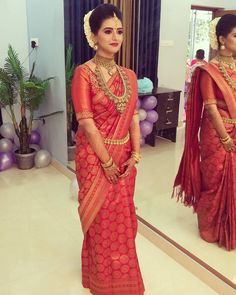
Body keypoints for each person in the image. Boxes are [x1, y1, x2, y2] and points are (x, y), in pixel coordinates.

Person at [71, 4, 145, 294]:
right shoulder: (84, 74)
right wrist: (106, 162)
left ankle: (124, 275)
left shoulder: (129, 76)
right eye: (107, 31)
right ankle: (100, 278)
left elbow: (134, 118)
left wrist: (136, 154)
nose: (115, 37)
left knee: (123, 219)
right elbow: (87, 124)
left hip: (125, 157)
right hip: (95, 158)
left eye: (119, 31)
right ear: (94, 35)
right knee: (102, 220)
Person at [173, 14, 236, 251]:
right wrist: (225, 137)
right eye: (235, 36)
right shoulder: (208, 71)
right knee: (215, 177)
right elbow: (210, 107)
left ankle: (230, 227)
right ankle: (210, 228)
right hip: (216, 132)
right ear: (221, 39)